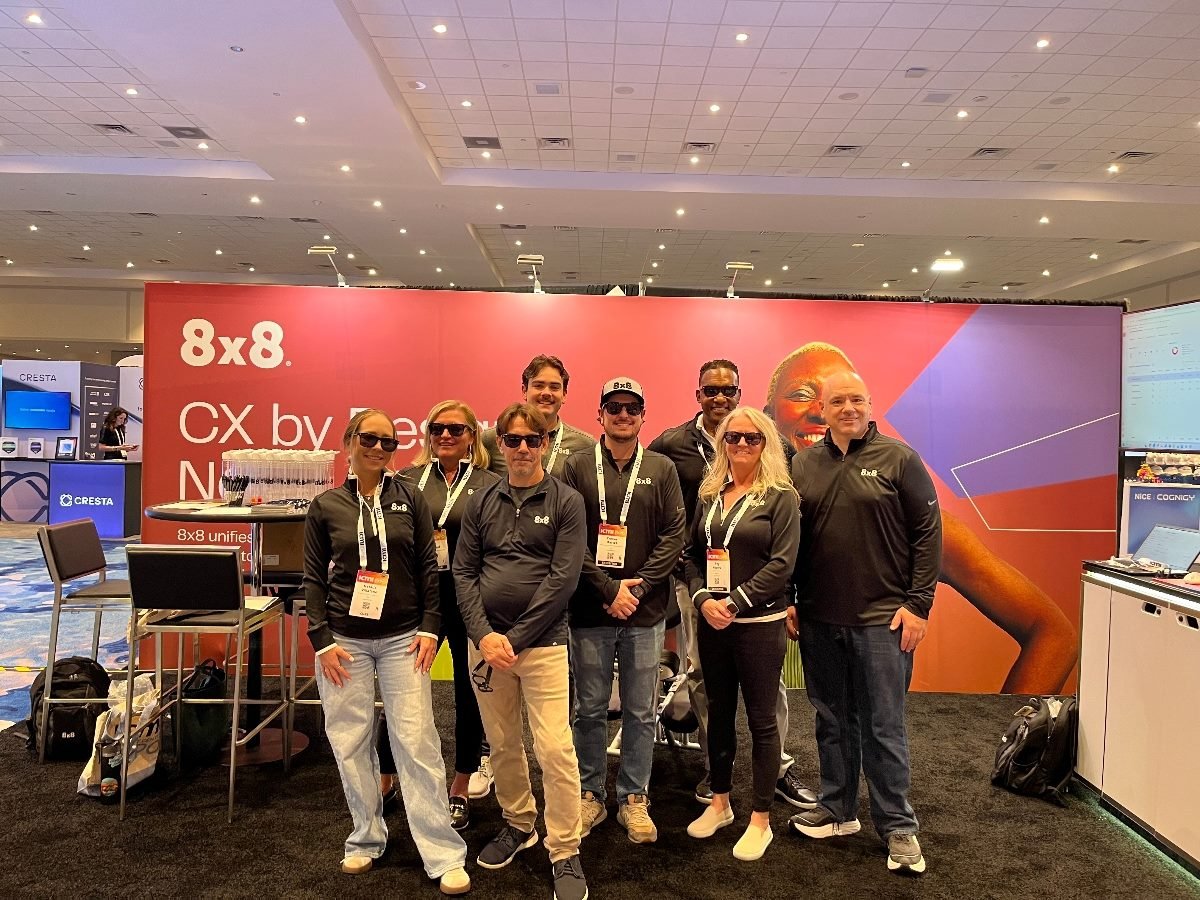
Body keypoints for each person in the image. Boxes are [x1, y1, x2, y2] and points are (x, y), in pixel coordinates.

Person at [765, 341, 1076, 694]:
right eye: (802, 394)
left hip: (866, 707)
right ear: (767, 414)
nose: (822, 410)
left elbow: (1053, 634)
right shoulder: (748, 516)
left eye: (844, 398)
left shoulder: (901, 513)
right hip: (768, 722)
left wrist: (1009, 726)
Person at [302, 408, 470, 893]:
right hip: (343, 642)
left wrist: (430, 628)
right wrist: (321, 639)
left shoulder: (409, 497)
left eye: (389, 442)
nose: (379, 448)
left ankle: (442, 851)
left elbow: (427, 567)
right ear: (349, 442)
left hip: (403, 638)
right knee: (349, 740)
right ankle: (365, 836)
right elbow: (313, 578)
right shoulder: (326, 506)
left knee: (416, 741)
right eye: (370, 439)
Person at [788, 371, 941, 876]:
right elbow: (794, 540)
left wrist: (919, 606)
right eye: (838, 401)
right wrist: (791, 599)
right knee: (831, 719)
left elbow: (927, 534)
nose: (848, 408)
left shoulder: (900, 459)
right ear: (824, 409)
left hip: (884, 620)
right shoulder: (803, 464)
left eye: (856, 399)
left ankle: (898, 826)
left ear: (870, 405)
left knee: (883, 725)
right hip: (819, 617)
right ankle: (837, 809)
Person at [648, 359, 816, 810]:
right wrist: (698, 591)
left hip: (759, 600)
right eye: (711, 390)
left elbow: (786, 543)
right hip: (700, 589)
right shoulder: (671, 443)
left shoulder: (776, 447)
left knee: (768, 689)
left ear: (739, 393)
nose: (719, 397)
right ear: (698, 394)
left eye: (728, 390)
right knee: (704, 679)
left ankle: (776, 768)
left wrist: (779, 596)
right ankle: (715, 770)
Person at [453, 402, 588, 900]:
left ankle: (565, 848)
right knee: (503, 742)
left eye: (533, 439)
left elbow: (563, 579)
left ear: (546, 444)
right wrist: (483, 635)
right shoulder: (481, 501)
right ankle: (519, 822)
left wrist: (514, 639)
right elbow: (464, 572)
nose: (524, 448)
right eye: (513, 440)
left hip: (543, 645)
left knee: (555, 748)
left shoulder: (568, 501)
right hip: (487, 647)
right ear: (501, 445)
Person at [562, 378, 686, 844]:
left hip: (645, 611)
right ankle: (589, 794)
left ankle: (634, 797)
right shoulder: (576, 466)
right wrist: (608, 588)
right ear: (600, 414)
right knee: (589, 708)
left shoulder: (661, 468)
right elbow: (568, 537)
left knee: (640, 710)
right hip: (590, 608)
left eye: (632, 408)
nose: (623, 415)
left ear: (643, 416)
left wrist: (640, 587)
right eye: (614, 407)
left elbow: (674, 535)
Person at [374, 401, 500, 831]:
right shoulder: (407, 480)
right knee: (402, 693)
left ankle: (461, 783)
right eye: (437, 428)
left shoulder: (489, 484)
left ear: (472, 436)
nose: (446, 435)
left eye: (456, 429)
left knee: (469, 694)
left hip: (470, 602)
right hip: (418, 603)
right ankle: (386, 776)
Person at [684, 407, 800, 862]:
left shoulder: (781, 497)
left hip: (758, 626)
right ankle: (720, 803)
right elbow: (691, 556)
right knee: (717, 714)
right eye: (733, 437)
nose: (742, 445)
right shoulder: (710, 492)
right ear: (722, 443)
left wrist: (734, 602)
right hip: (712, 623)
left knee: (762, 721)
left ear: (765, 443)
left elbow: (782, 564)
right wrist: (702, 600)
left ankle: (760, 820)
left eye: (752, 438)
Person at [481, 354, 593, 479]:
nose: (546, 393)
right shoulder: (490, 439)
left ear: (564, 395)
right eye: (538, 385)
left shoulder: (585, 445)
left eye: (554, 387)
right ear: (524, 391)